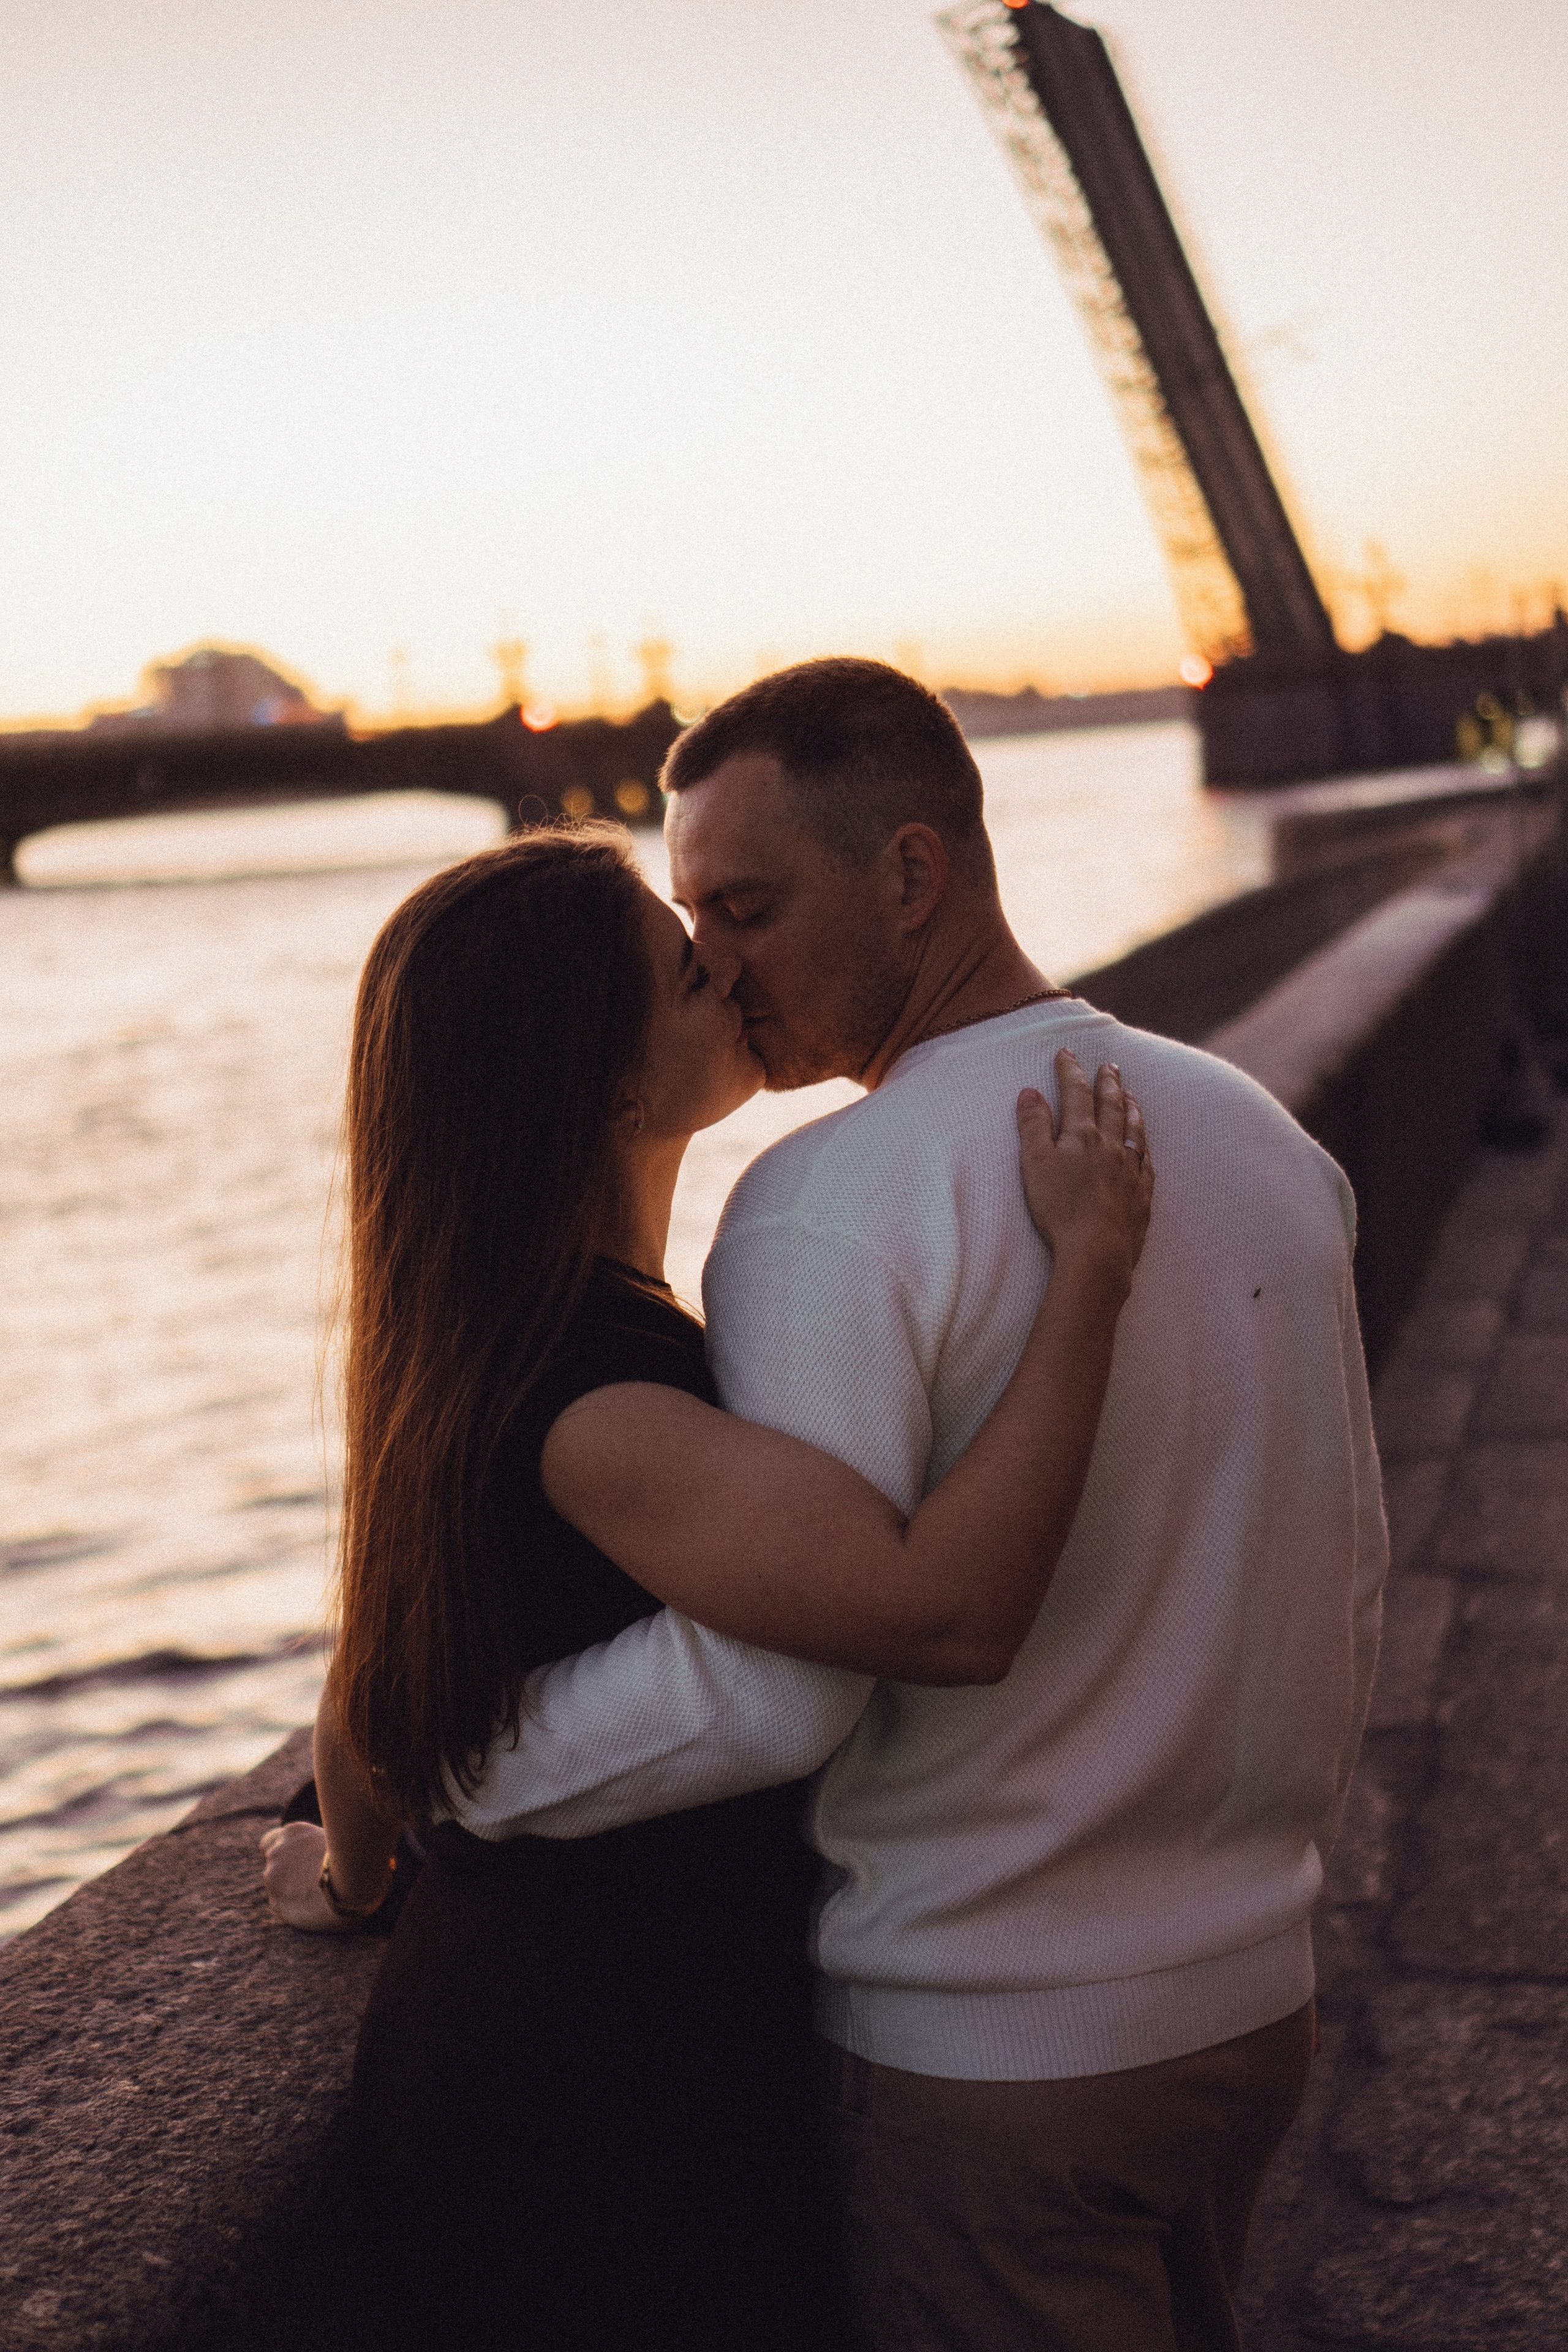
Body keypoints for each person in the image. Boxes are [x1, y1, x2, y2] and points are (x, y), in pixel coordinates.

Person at [445, 660, 1389, 2352]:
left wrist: (455, 1764)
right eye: (692, 919)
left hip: (993, 2052)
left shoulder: (825, 1206)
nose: (717, 966)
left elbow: (773, 1680)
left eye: (748, 905)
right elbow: (1349, 1576)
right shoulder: (1254, 1137)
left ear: (908, 873)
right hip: (1250, 2010)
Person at [260, 821, 1154, 2352]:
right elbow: (944, 1607)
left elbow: (375, 1687)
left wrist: (352, 1881)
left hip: (539, 2049)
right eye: (688, 974)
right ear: (604, 1089)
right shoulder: (605, 1398)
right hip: (608, 2092)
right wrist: (1088, 1272)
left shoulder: (479, 1342)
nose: (730, 973)